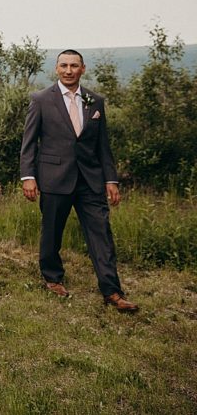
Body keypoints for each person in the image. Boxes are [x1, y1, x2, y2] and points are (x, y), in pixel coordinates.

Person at [20, 50, 138, 312]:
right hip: (54, 178)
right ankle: (52, 277)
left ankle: (112, 291)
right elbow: (29, 143)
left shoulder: (95, 101)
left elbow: (102, 145)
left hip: (90, 179)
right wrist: (28, 176)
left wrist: (111, 179)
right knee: (51, 232)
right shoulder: (40, 99)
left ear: (83, 69)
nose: (69, 70)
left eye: (74, 66)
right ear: (56, 68)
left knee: (101, 234)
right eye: (64, 65)